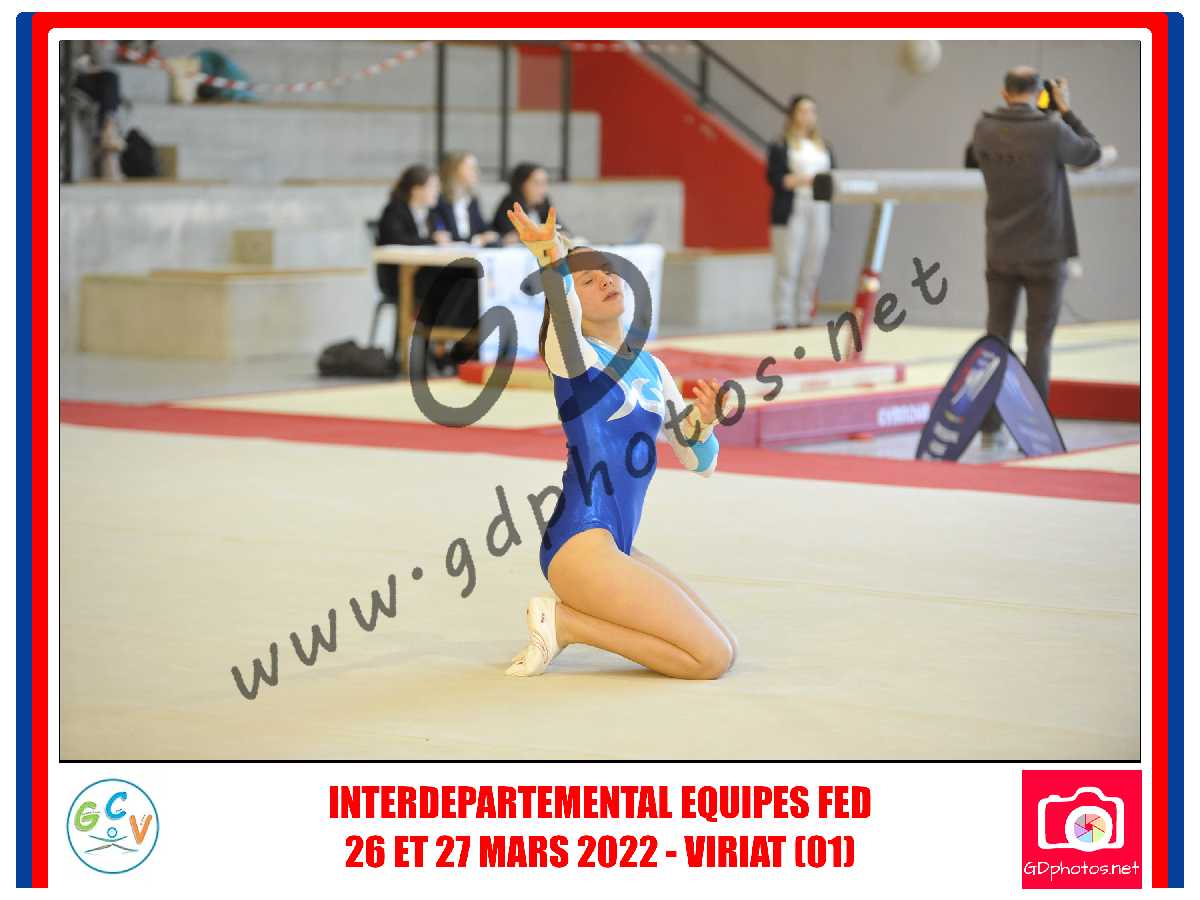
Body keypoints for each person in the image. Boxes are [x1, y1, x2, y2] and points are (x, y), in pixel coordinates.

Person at [503, 202, 737, 680]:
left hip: (616, 545)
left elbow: (699, 461)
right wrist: (549, 256)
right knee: (710, 659)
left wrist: (705, 421)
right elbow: (563, 310)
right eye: (588, 281)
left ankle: (566, 622)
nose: (606, 280)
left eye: (607, 272)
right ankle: (567, 624)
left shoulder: (651, 367)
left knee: (725, 646)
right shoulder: (575, 358)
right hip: (579, 544)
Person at [968, 67, 1102, 449]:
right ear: (1039, 92)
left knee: (996, 339)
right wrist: (1065, 110)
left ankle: (989, 429)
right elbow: (1090, 151)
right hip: (1046, 253)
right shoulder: (1051, 130)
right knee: (1038, 344)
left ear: (1004, 92)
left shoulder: (984, 128)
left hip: (1001, 251)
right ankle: (1033, 432)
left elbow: (974, 159)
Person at [375, 165, 462, 371]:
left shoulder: (430, 214)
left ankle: (444, 346)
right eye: (432, 187)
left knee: (465, 283)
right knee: (454, 285)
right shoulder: (395, 210)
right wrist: (432, 240)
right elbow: (398, 239)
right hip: (399, 278)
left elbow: (443, 237)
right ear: (416, 190)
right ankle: (437, 347)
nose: (437, 192)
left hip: (424, 275)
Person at [765, 94, 836, 329]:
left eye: (812, 111)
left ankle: (805, 312)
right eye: (803, 111)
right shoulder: (781, 145)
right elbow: (774, 178)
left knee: (813, 262)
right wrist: (801, 180)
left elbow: (833, 177)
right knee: (788, 263)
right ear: (793, 114)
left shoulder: (824, 147)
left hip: (819, 207)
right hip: (793, 207)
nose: (808, 116)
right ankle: (782, 315)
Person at [73, 41, 126, 181]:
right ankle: (108, 128)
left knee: (111, 78)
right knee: (111, 84)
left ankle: (108, 128)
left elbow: (105, 60)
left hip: (95, 77)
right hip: (72, 76)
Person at [432, 151, 500, 246]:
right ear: (454, 170)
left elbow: (482, 228)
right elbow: (444, 236)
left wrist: (490, 235)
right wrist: (476, 240)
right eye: (471, 168)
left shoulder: (472, 199)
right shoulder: (437, 200)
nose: (476, 172)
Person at [491, 163, 570, 244]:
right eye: (537, 183)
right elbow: (509, 236)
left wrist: (561, 234)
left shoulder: (545, 202)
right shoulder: (510, 204)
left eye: (545, 183)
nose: (543, 189)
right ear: (521, 185)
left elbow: (560, 228)